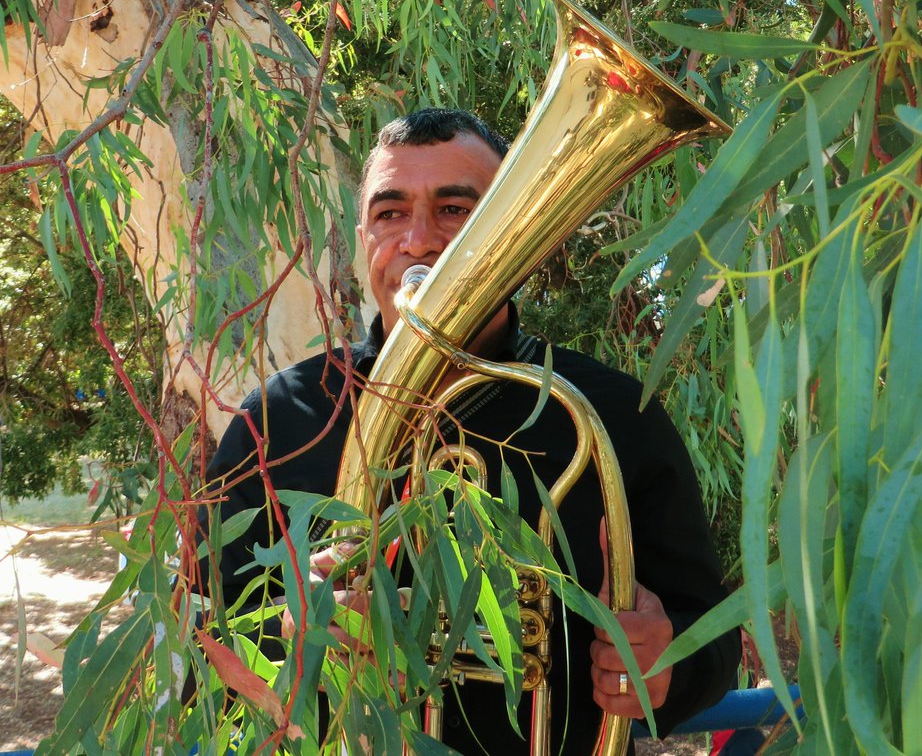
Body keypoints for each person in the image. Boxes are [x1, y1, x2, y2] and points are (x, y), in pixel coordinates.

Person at [198, 108, 739, 753]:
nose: (419, 240)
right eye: (390, 213)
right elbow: (205, 640)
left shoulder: (614, 414)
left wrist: (669, 664)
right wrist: (285, 639)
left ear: (515, 229)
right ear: (363, 237)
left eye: (456, 209)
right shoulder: (279, 419)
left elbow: (710, 637)